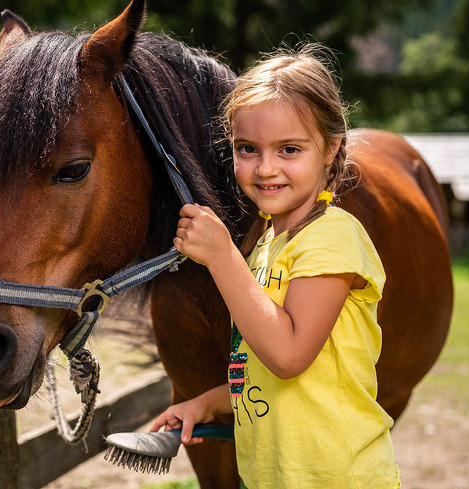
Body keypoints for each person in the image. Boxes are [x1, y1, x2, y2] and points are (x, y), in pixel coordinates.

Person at [149, 43, 401, 488]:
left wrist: (223, 257)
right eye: (248, 148)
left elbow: (287, 357)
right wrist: (205, 403)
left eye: (289, 149)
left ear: (330, 149)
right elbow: (266, 373)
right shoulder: (264, 244)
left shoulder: (333, 238)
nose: (266, 168)